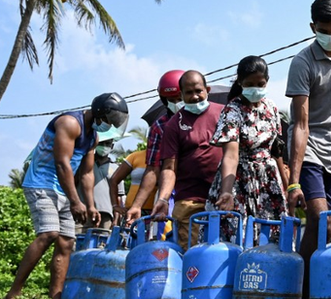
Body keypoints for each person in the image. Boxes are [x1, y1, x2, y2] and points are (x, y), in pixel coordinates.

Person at [4, 92, 129, 299]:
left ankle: (56, 297)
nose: (109, 127)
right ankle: (14, 292)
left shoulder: (93, 136)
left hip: (63, 189)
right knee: (49, 233)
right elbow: (62, 163)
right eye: (108, 122)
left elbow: (87, 173)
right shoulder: (69, 123)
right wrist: (75, 201)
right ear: (98, 115)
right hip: (41, 184)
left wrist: (90, 206)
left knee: (66, 242)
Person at [285, 0, 331, 299]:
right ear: (312, 27)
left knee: (323, 230)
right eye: (323, 30)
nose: (330, 35)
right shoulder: (303, 62)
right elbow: (300, 124)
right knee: (321, 220)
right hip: (311, 152)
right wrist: (293, 180)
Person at [208, 56, 287, 237]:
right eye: (250, 84)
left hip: (268, 180)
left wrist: (287, 186)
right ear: (240, 82)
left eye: (260, 84)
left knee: (271, 236)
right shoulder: (232, 110)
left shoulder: (272, 108)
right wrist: (227, 192)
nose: (256, 89)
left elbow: (276, 150)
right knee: (239, 235)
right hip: (239, 180)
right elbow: (231, 155)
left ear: (267, 82)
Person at [152, 71, 224, 251]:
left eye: (198, 91)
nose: (194, 96)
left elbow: (234, 153)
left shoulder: (224, 113)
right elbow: (169, 168)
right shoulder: (173, 125)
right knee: (191, 256)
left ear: (207, 90)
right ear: (181, 95)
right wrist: (163, 198)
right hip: (189, 201)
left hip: (222, 199)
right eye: (189, 93)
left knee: (222, 254)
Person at [125, 70, 184, 226]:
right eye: (172, 100)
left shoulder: (209, 119)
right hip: (170, 193)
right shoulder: (160, 126)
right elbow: (153, 169)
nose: (177, 103)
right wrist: (137, 205)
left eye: (180, 98)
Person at [75, 139, 124, 232]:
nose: (104, 146)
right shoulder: (83, 163)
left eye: (107, 144)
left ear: (112, 146)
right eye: (101, 143)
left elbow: (119, 196)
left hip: (106, 214)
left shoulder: (116, 168)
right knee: (77, 241)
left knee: (102, 243)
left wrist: (116, 218)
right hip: (83, 211)